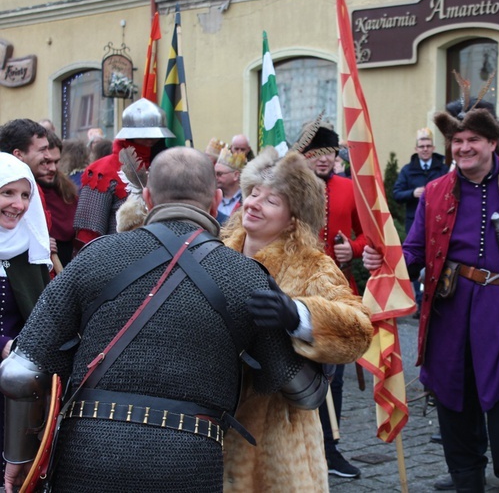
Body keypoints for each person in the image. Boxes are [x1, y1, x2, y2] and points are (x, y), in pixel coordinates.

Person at [0, 147, 328, 492]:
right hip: (189, 459)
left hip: (88, 450)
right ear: (216, 200)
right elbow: (304, 393)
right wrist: (300, 324)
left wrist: (21, 458)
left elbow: (23, 371)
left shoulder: (96, 256)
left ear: (147, 196)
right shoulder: (247, 278)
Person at [364, 97, 499, 492]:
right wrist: (385, 260)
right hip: (449, 316)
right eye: (457, 140)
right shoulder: (437, 190)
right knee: (456, 421)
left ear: (493, 142)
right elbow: (414, 252)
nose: (463, 148)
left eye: (474, 138)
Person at [221, 147, 373, 491]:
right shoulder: (217, 252)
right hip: (214, 431)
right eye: (254, 193)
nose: (254, 203)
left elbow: (360, 331)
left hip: (279, 441)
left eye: (271, 200)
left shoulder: (313, 265)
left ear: (293, 218)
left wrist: (298, 315)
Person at [295, 117, 367, 478]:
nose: (324, 160)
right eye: (316, 153)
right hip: (295, 292)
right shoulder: (289, 188)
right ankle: (296, 449)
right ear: (304, 155)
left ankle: (329, 449)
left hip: (338, 294)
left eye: (330, 153)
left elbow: (370, 234)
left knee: (332, 376)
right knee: (294, 371)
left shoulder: (349, 188)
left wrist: (352, 249)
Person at [0, 153, 51, 469]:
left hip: (16, 385)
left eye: (25, 195)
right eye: (7, 192)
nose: (18, 205)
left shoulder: (28, 253)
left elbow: (43, 316)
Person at [73, 98, 172, 248]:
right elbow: (89, 233)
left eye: (154, 135)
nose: (151, 140)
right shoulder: (101, 171)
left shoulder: (167, 168)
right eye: (145, 135)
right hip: (116, 258)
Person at [393, 127, 448, 317]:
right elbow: (396, 193)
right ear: (416, 149)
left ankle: (436, 296)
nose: (425, 149)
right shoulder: (408, 170)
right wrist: (412, 193)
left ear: (433, 147)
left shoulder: (442, 168)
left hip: (439, 223)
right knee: (416, 259)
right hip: (414, 222)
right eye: (421, 146)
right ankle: (419, 300)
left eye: (428, 146)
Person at [37, 132, 78, 267]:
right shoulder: (25, 195)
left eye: (56, 162)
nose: (53, 168)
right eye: (46, 162)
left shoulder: (67, 191)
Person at [214, 145, 247, 225]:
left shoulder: (247, 199)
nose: (215, 177)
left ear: (236, 175)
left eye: (219, 174)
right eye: (214, 173)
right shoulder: (211, 196)